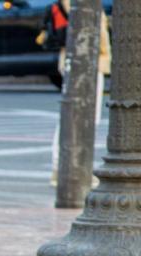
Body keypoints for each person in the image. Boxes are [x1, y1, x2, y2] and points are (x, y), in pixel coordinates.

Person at [46, 0, 111, 187]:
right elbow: (86, 24)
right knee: (79, 116)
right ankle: (67, 168)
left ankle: (68, 168)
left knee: (82, 116)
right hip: (85, 59)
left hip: (87, 59)